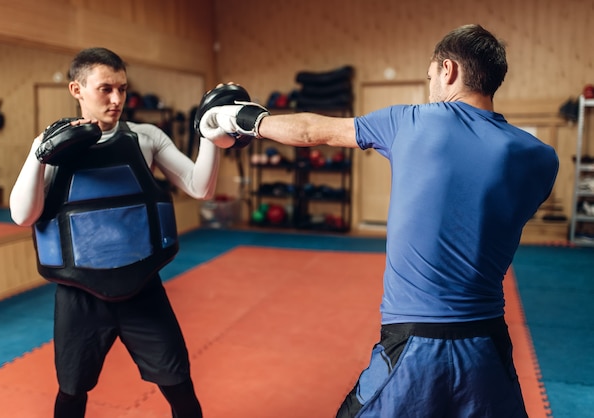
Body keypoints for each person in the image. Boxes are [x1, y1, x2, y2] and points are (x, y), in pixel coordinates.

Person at [198, 24, 559, 417]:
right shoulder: (541, 158)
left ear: (448, 70)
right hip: (488, 343)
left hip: (417, 343)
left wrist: (235, 117)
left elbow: (310, 131)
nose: (430, 87)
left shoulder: (412, 122)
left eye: (430, 76)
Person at [10, 47, 220, 418]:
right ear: (77, 89)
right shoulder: (50, 148)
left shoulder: (145, 138)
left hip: (142, 289)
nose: (117, 99)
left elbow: (199, 187)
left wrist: (210, 137)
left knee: (179, 385)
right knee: (72, 393)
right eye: (105, 89)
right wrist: (38, 154)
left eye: (122, 89)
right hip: (79, 297)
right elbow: (23, 216)